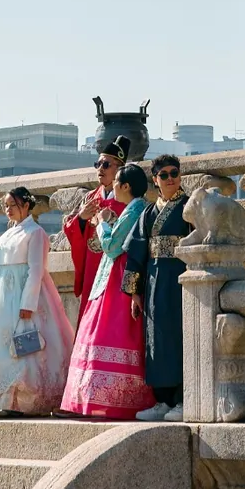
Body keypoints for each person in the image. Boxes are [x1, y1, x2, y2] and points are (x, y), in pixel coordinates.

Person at [0, 186, 74, 415]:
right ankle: (4, 401)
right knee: (2, 349)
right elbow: (0, 267)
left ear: (26, 205)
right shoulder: (9, 233)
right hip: (0, 297)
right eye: (6, 206)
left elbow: (36, 269)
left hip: (24, 296)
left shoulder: (35, 232)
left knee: (25, 348)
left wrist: (27, 305)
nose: (8, 210)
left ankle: (25, 402)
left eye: (12, 205)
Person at [62, 162, 152, 419]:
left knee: (107, 333)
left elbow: (112, 247)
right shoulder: (134, 208)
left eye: (116, 183)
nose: (111, 186)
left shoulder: (134, 210)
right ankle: (101, 399)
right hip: (115, 277)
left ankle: (108, 400)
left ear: (125, 186)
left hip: (118, 279)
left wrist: (101, 223)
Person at [125, 155, 193, 422]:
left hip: (180, 279)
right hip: (153, 281)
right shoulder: (148, 213)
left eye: (174, 173)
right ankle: (162, 401)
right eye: (163, 175)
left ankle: (182, 399)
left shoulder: (189, 207)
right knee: (156, 338)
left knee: (178, 336)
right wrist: (134, 293)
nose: (170, 178)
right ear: (155, 180)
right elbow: (136, 253)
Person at [63, 137, 131, 319]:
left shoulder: (127, 199)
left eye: (106, 164)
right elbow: (70, 228)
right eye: (98, 164)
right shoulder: (90, 198)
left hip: (117, 267)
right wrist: (82, 219)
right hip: (93, 266)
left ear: (119, 169)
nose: (100, 168)